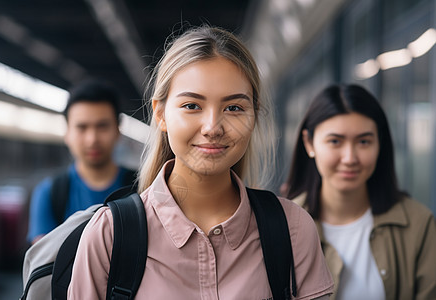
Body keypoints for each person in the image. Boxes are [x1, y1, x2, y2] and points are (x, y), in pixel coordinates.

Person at [68, 26, 334, 299]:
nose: (212, 127)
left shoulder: (293, 229)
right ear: (160, 114)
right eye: (192, 106)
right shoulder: (108, 236)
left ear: (254, 116)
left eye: (234, 108)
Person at [285, 84, 436, 300]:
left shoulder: (417, 224)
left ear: (379, 144)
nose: (350, 158)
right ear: (309, 143)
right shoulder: (282, 226)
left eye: (364, 142)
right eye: (335, 141)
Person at [27, 78, 136, 245]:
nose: (92, 139)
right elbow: (43, 264)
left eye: (102, 126)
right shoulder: (50, 193)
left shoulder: (142, 187)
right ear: (67, 133)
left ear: (118, 129)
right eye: (82, 127)